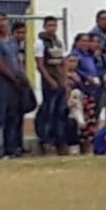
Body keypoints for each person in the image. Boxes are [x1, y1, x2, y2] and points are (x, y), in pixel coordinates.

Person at [0, 12, 27, 159]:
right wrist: (12, 78)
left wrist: (21, 76)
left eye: (4, 20)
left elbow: (17, 59)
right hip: (2, 83)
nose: (2, 23)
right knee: (0, 116)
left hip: (15, 82)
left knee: (13, 115)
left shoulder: (11, 41)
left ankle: (11, 147)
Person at [34, 16, 65, 153]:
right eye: (50, 25)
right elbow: (40, 65)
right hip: (49, 82)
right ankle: (45, 140)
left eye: (54, 25)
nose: (52, 28)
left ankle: (58, 139)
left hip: (59, 81)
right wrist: (49, 80)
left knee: (59, 112)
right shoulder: (40, 43)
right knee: (48, 111)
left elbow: (63, 61)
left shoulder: (58, 42)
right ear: (45, 26)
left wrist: (64, 80)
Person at [72, 33, 101, 153]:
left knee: (91, 118)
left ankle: (89, 143)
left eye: (87, 41)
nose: (86, 43)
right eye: (83, 41)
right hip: (82, 89)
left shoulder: (89, 55)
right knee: (82, 118)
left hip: (92, 89)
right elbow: (75, 69)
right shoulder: (76, 55)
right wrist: (86, 77)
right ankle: (82, 144)